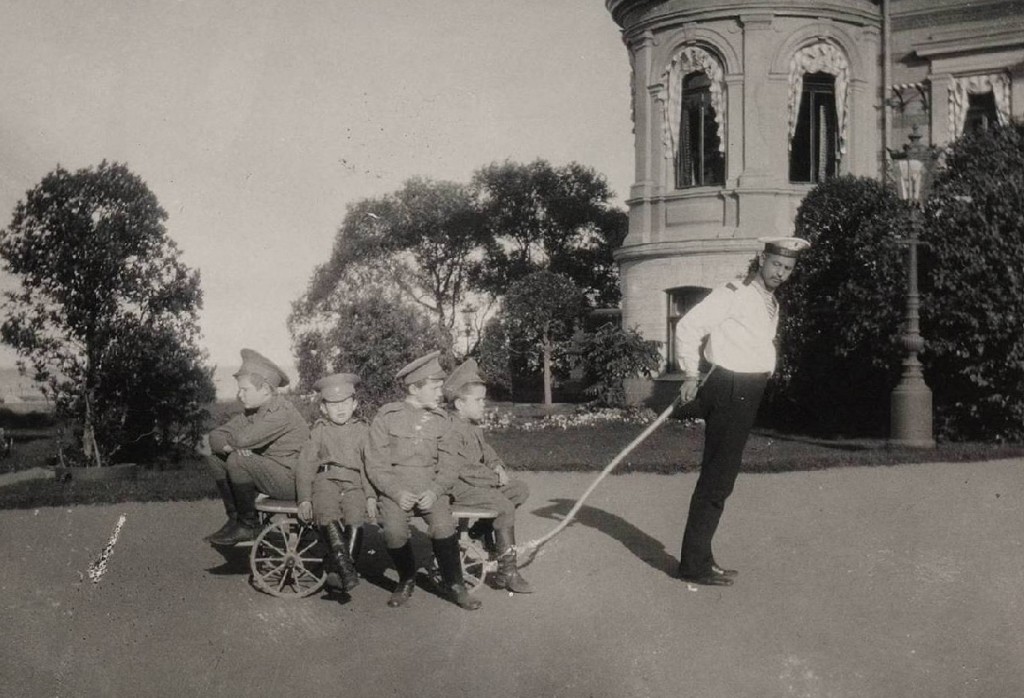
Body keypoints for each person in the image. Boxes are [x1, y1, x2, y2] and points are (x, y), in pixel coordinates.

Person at [673, 236, 810, 586]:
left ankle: (701, 556)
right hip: (730, 386)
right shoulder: (734, 291)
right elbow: (688, 326)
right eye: (777, 264)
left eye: (788, 268)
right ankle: (693, 564)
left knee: (722, 477)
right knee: (717, 477)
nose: (781, 273)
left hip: (747, 389)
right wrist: (690, 372)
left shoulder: (768, 300)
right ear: (762, 259)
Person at [364, 351, 481, 611]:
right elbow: (375, 463)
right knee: (393, 531)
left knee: (442, 526)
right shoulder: (387, 416)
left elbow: (450, 463)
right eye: (435, 387)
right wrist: (394, 492)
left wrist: (436, 490)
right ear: (415, 388)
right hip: (397, 489)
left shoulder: (442, 421)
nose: (441, 392)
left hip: (431, 488)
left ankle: (456, 585)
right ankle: (406, 578)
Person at [439, 358, 533, 593]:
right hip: (460, 487)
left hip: (475, 485)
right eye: (478, 400)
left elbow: (486, 452)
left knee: (519, 489)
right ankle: (507, 572)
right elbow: (464, 469)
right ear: (460, 404)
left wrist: (497, 466)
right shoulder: (452, 430)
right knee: (504, 505)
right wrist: (493, 479)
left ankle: (476, 532)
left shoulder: (472, 426)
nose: (484, 405)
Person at [205, 349, 310, 546]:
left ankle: (249, 525)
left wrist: (236, 447)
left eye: (245, 390)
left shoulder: (281, 413)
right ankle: (236, 519)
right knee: (216, 459)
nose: (240, 395)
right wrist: (228, 448)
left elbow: (244, 439)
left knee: (240, 460)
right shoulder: (253, 413)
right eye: (239, 389)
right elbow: (215, 436)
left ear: (265, 389)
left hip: (292, 481)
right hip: (272, 474)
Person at [296, 372, 376, 594]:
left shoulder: (363, 431)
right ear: (323, 408)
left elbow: (370, 466)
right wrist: (304, 498)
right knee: (326, 511)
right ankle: (346, 572)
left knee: (356, 514)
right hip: (326, 480)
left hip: (354, 482)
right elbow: (305, 466)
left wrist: (370, 495)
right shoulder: (319, 431)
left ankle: (339, 570)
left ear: (355, 404)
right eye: (333, 404)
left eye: (345, 402)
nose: (340, 408)